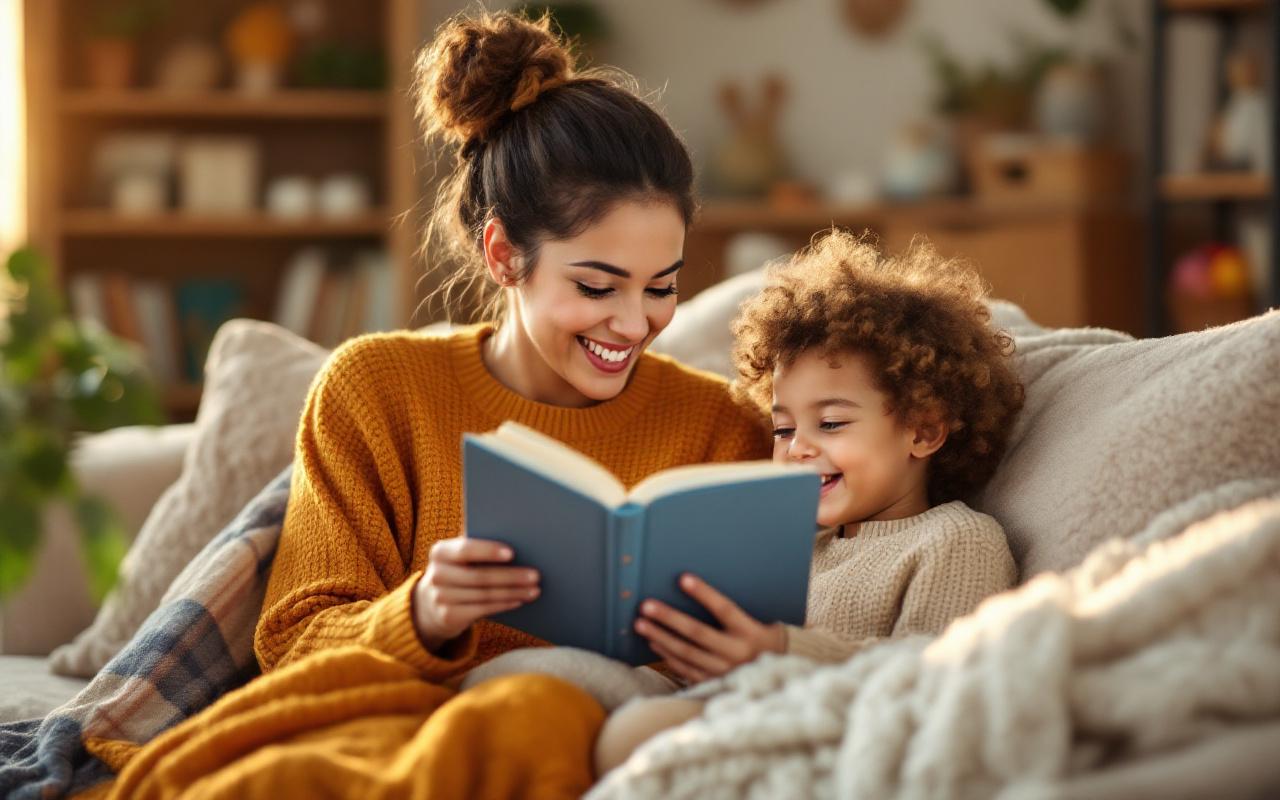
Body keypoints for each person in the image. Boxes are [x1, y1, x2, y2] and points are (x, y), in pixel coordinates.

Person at [98, 11, 770, 800]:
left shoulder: (727, 423)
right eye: (597, 287)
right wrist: (422, 612)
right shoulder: (376, 389)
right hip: (404, 729)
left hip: (619, 744)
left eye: (662, 287)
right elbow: (295, 644)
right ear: (504, 254)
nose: (634, 324)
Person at [553, 230, 1026, 774]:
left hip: (836, 745)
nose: (797, 448)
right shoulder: (791, 544)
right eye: (783, 429)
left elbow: (937, 682)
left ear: (923, 431)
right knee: (560, 681)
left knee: (633, 733)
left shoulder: (956, 540)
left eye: (831, 423)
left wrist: (782, 650)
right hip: (738, 711)